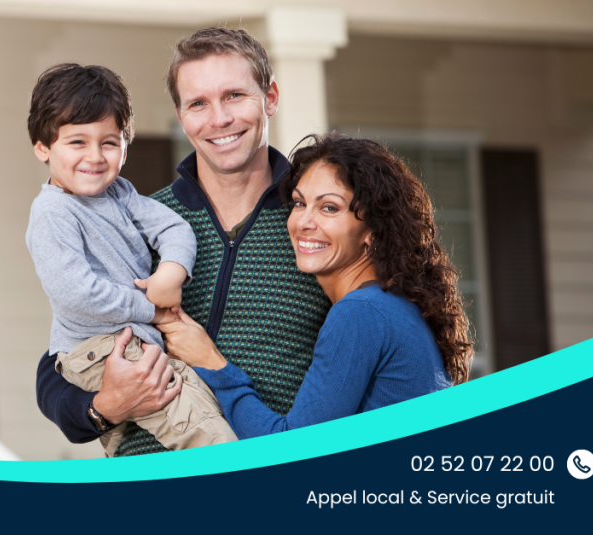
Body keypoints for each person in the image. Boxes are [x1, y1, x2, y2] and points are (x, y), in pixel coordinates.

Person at [35, 28, 330, 456]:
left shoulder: (316, 222)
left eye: (234, 96)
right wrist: (103, 407)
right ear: (181, 115)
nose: (219, 119)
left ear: (270, 98)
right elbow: (57, 364)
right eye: (198, 103)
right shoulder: (136, 220)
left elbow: (371, 338)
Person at [166, 133, 473, 438]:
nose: (303, 222)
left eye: (329, 208)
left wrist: (211, 362)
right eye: (299, 203)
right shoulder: (390, 307)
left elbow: (293, 449)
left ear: (373, 230)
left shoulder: (361, 313)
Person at [25, 63, 237, 456]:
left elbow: (174, 229)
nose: (95, 156)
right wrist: (151, 310)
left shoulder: (120, 194)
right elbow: (76, 293)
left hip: (132, 339)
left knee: (205, 410)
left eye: (109, 142)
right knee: (208, 437)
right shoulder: (52, 214)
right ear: (43, 148)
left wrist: (170, 274)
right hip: (101, 346)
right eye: (77, 142)